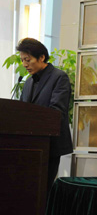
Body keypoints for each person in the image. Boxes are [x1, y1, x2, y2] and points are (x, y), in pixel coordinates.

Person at [18, 38, 73, 192]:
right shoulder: (28, 82)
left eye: (27, 60)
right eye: (22, 60)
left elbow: (57, 113)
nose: (24, 64)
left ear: (41, 57)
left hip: (48, 145)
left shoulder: (59, 77)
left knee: (43, 191)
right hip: (28, 146)